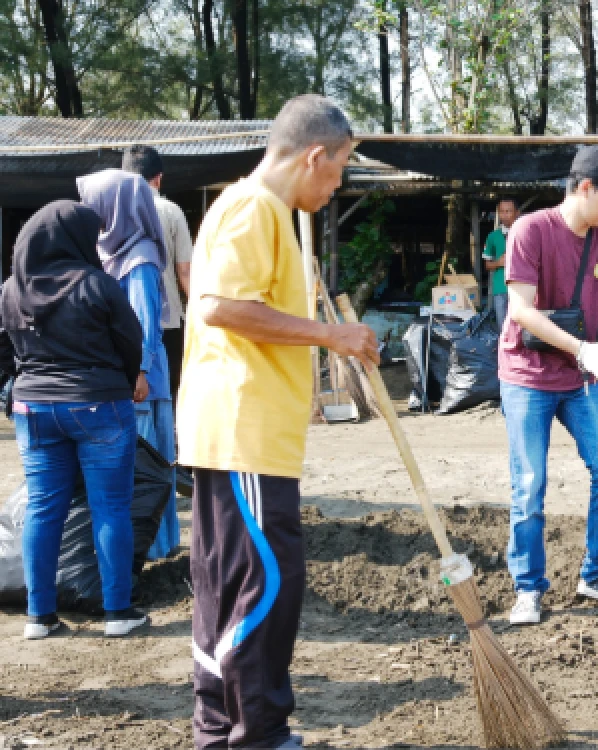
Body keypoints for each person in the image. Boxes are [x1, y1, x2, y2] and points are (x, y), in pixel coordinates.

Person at [177, 95, 378, 750]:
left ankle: (220, 732)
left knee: (226, 588)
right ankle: (258, 734)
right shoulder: (255, 207)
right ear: (315, 156)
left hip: (237, 434)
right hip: (245, 434)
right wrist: (331, 334)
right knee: (265, 587)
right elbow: (217, 305)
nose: (338, 185)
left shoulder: (256, 209)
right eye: (339, 170)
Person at [501, 145, 598, 625]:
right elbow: (521, 310)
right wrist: (581, 349)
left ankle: (597, 572)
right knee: (529, 484)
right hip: (527, 374)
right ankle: (528, 588)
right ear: (585, 187)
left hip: (582, 377)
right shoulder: (530, 230)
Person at [0, 201, 149, 640]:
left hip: (33, 409)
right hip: (98, 406)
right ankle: (118, 613)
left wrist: (15, 386)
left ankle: (39, 617)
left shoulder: (11, 289)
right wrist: (123, 380)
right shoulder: (97, 284)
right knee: (111, 506)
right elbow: (130, 342)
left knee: (44, 508)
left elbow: (3, 350)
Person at [76, 168, 179, 559]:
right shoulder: (115, 253)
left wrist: (140, 371)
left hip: (141, 383)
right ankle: (151, 546)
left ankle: (152, 548)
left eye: (96, 204)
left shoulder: (140, 258)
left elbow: (145, 324)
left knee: (145, 465)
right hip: (129, 376)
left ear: (115, 207)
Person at [121, 145, 194, 402]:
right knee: (167, 396)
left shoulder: (112, 211)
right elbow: (185, 270)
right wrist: (200, 312)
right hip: (166, 319)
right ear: (159, 178)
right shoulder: (171, 211)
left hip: (124, 320)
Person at [484, 198, 519, 324]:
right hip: (500, 289)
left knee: (523, 328)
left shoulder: (525, 233)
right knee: (502, 327)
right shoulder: (492, 236)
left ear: (517, 213)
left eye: (508, 211)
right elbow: (487, 265)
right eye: (502, 212)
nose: (504, 215)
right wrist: (498, 263)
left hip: (521, 289)